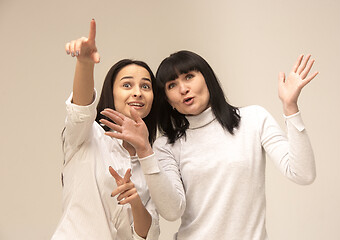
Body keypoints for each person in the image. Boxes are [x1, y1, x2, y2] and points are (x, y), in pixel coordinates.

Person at [101, 50, 317, 240]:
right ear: (167, 98)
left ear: (207, 79)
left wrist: (290, 108)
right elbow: (172, 211)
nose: (183, 88)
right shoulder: (166, 145)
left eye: (189, 77)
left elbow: (302, 173)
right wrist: (146, 152)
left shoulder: (254, 119)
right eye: (172, 85)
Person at [51, 19, 159, 240]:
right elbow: (80, 111)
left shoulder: (152, 160)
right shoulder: (87, 136)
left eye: (145, 86)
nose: (137, 92)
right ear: (111, 92)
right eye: (127, 85)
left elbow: (147, 235)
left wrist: (136, 200)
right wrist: (85, 63)